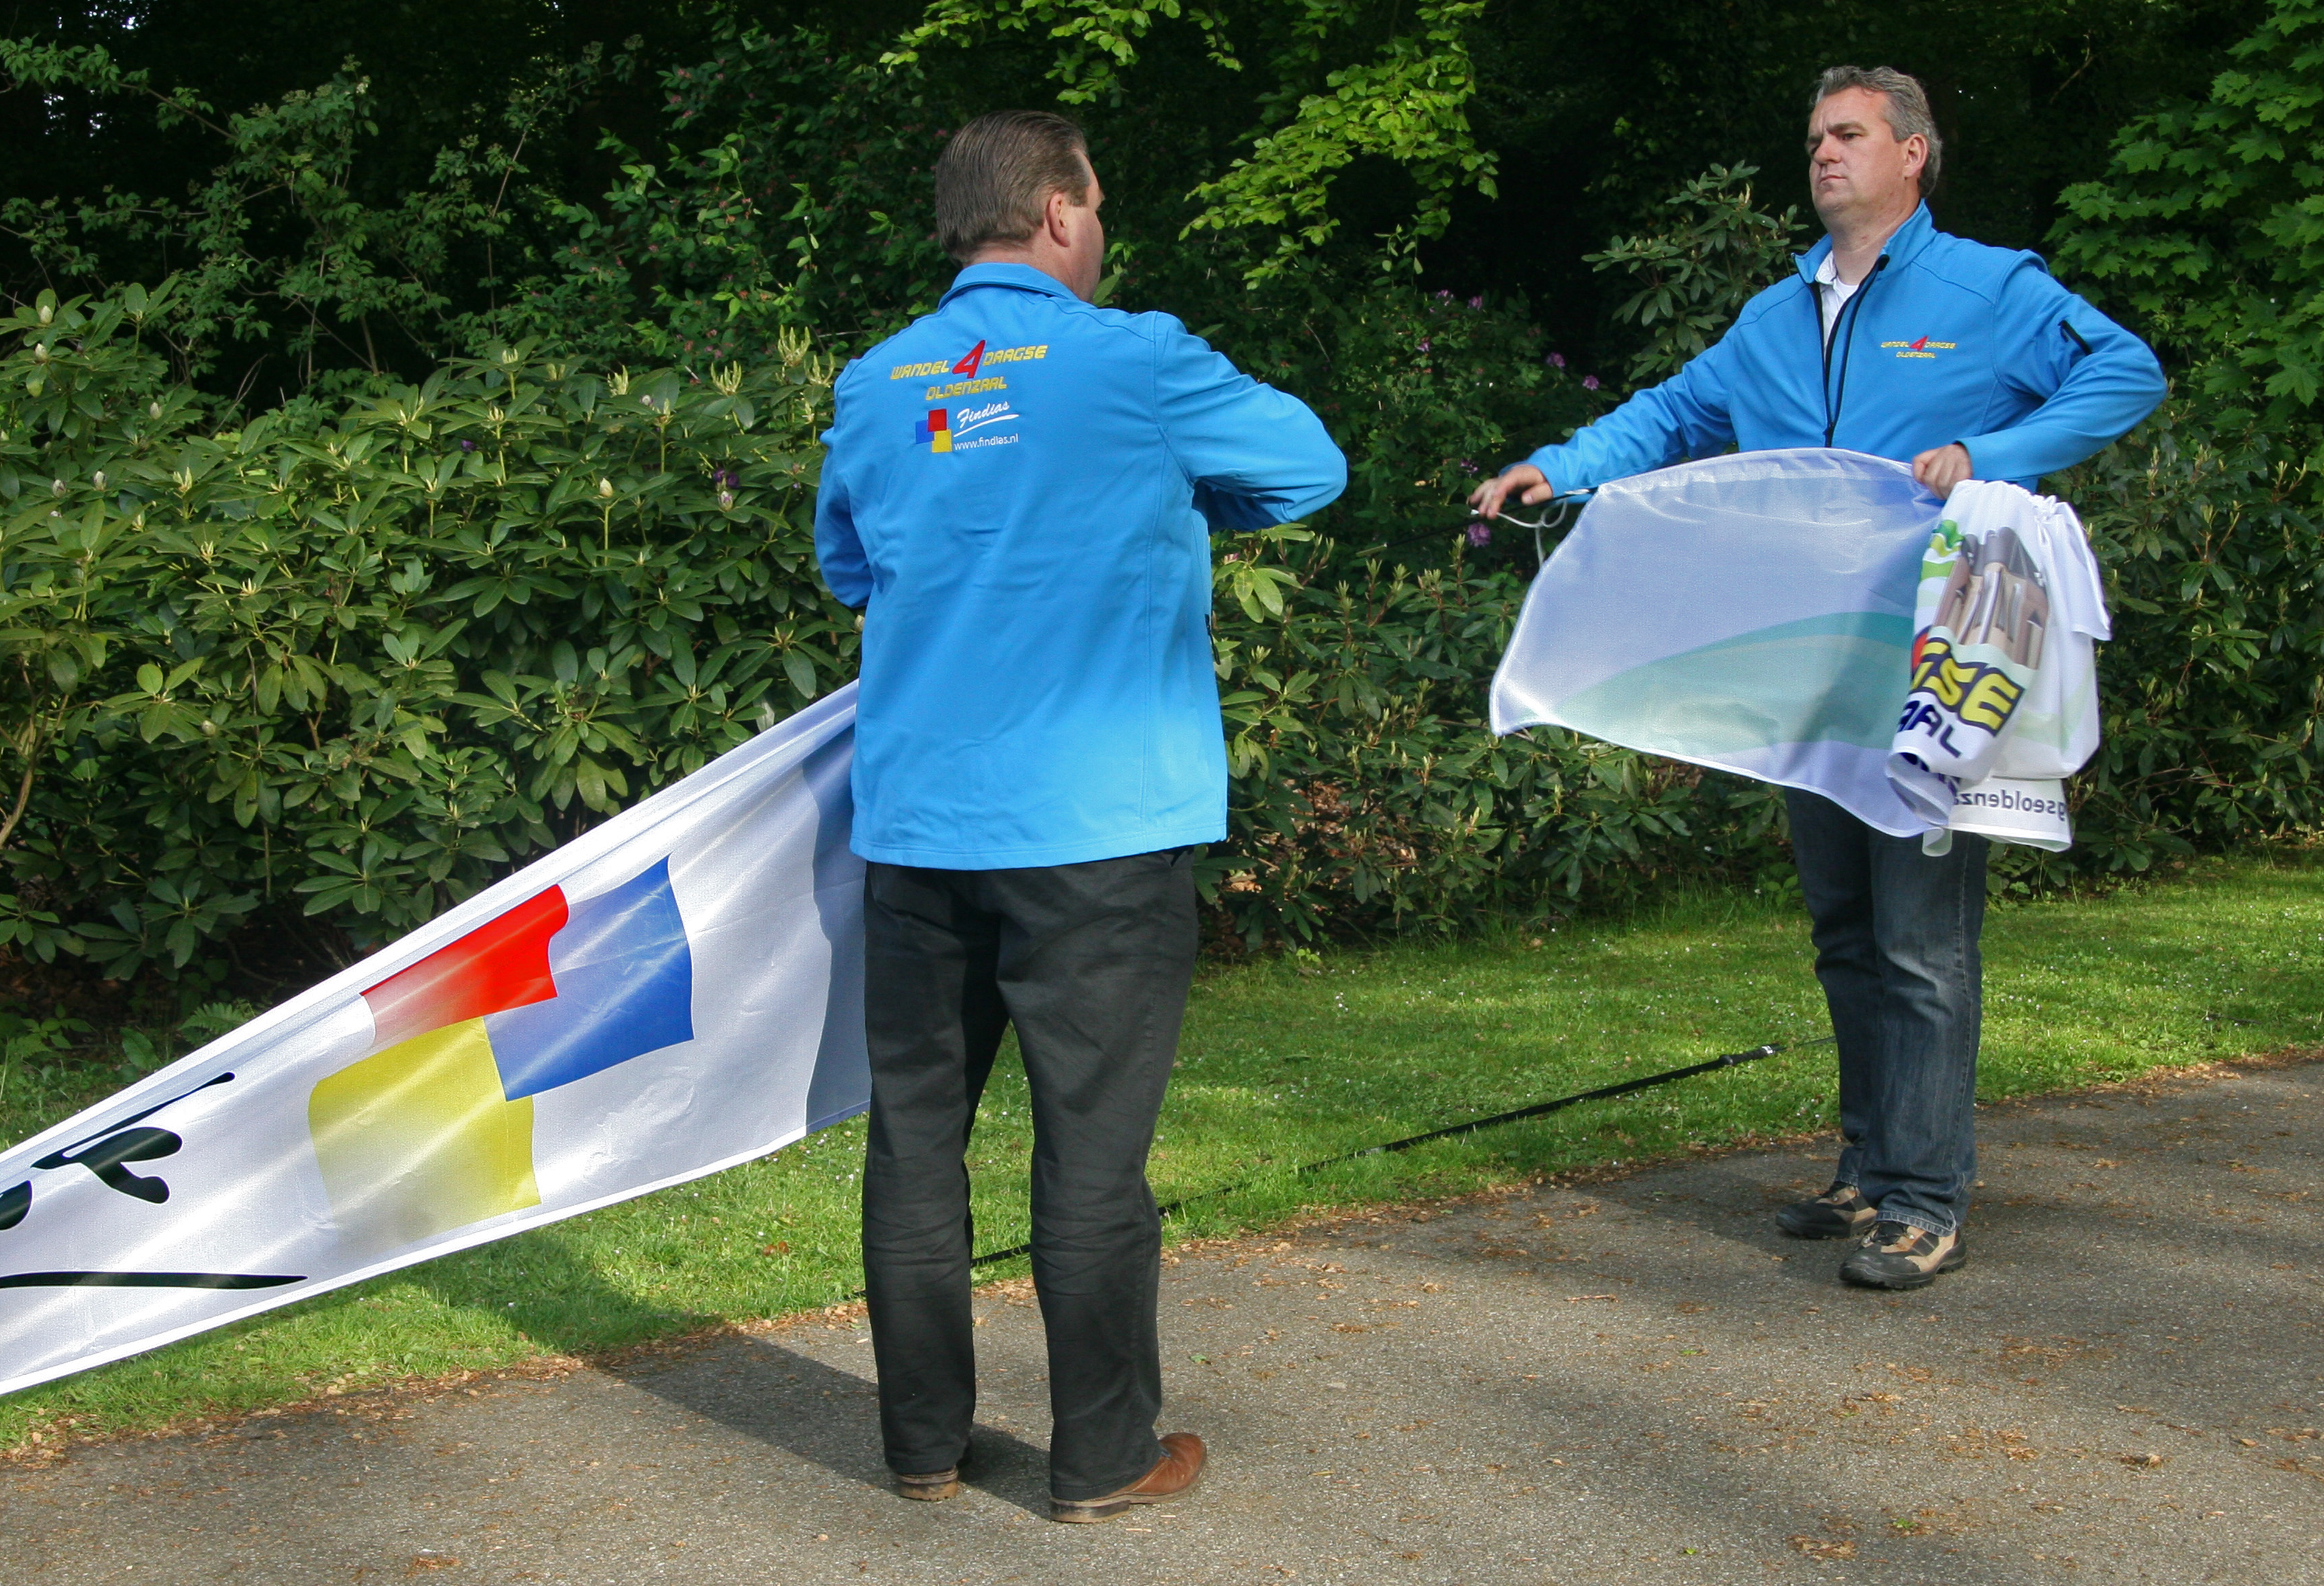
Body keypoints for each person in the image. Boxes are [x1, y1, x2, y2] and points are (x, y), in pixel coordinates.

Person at [1470, 67, 2164, 1291]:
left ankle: (1927, 1199)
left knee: (1921, 942)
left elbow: (2126, 372)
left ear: (1914, 154)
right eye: (1814, 139)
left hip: (1938, 670)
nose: (1825, 154)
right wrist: (1560, 466)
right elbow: (1674, 414)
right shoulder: (1775, 315)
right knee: (1847, 935)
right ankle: (1870, 1167)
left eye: (1849, 134)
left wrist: (1991, 454)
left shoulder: (1989, 289)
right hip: (1808, 670)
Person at [814, 111, 1347, 1520]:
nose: (1101, 228)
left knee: (916, 1140)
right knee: (1093, 1153)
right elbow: (1310, 466)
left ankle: (922, 1446)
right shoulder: (1137, 359)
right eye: (1096, 204)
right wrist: (1159, 507)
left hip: (918, 827)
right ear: (1058, 212)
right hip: (1096, 830)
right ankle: (1103, 1457)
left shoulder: (875, 382)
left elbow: (849, 565)